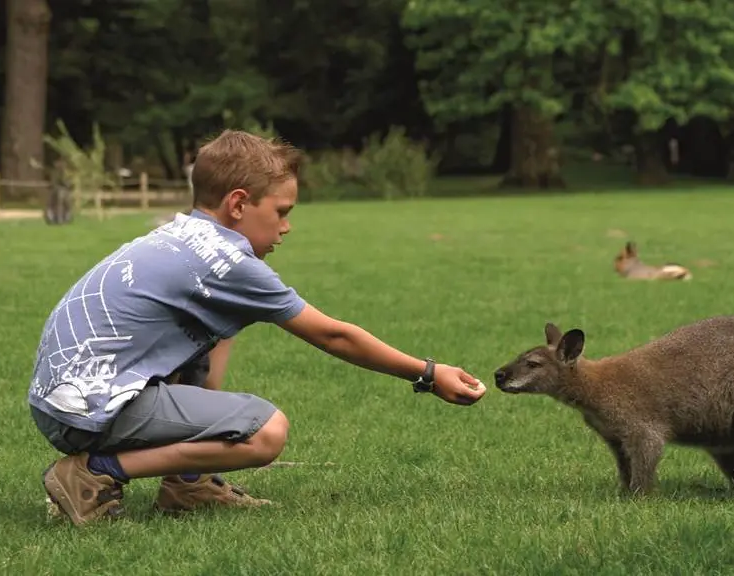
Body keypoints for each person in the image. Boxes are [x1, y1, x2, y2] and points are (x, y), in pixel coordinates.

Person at [29, 129, 487, 527]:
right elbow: (334, 335)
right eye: (281, 211)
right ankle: (94, 472)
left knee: (225, 323)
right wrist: (427, 373)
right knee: (266, 431)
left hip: (61, 396)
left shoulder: (180, 234)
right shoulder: (227, 262)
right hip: (88, 410)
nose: (286, 227)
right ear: (239, 204)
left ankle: (188, 484)